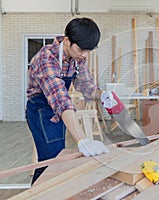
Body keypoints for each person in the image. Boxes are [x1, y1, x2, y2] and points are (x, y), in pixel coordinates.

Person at [26, 17, 109, 184]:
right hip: (41, 110)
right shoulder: (46, 58)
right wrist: (82, 139)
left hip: (58, 111)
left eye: (88, 51)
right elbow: (60, 98)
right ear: (67, 40)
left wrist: (102, 94)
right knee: (51, 160)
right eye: (81, 50)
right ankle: (37, 193)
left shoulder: (77, 57)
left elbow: (86, 84)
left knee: (56, 157)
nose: (84, 55)